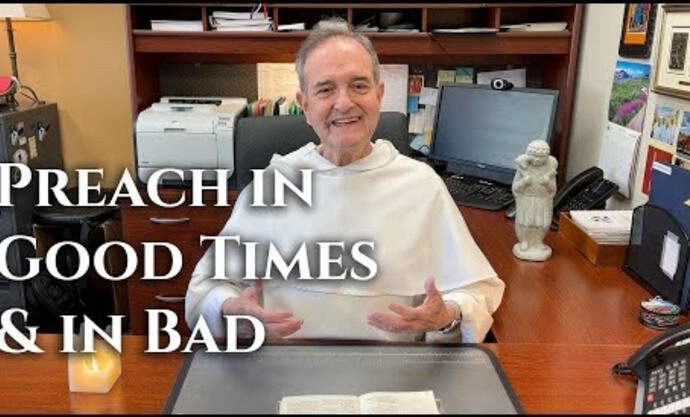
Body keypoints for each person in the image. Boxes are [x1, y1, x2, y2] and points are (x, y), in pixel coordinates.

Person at [185, 18, 504, 343]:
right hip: (287, 366)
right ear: (305, 105)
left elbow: (475, 293)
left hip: (393, 370)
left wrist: (448, 316)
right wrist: (232, 312)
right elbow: (205, 291)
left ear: (379, 94)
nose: (344, 103)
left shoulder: (422, 185)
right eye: (325, 89)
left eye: (359, 85)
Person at [511, 140, 558, 262]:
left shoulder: (550, 169)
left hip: (542, 200)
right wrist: (524, 182)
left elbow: (552, 190)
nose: (537, 160)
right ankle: (525, 241)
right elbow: (515, 188)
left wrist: (547, 182)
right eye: (534, 156)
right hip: (527, 199)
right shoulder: (523, 168)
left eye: (541, 157)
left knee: (542, 223)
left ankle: (538, 242)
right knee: (526, 222)